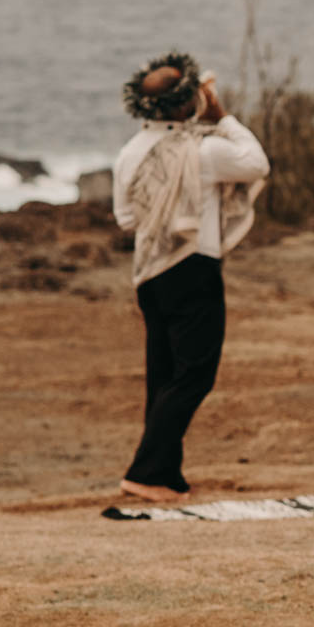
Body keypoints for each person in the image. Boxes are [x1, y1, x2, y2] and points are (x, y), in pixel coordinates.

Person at [112, 52, 268, 503]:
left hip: (149, 274)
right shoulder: (203, 151)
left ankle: (166, 474)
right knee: (195, 375)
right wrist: (223, 116)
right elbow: (256, 163)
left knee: (163, 376)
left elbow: (125, 219)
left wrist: (161, 209)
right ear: (186, 104)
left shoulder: (130, 153)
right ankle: (145, 472)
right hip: (192, 266)